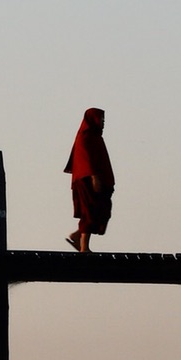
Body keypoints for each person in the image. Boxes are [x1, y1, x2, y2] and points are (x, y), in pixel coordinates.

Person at [64, 107, 115, 253]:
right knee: (90, 212)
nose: (103, 123)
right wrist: (94, 176)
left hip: (96, 180)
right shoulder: (85, 137)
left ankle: (77, 236)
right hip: (87, 181)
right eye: (101, 119)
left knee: (100, 210)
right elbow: (85, 160)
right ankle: (84, 247)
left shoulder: (95, 137)